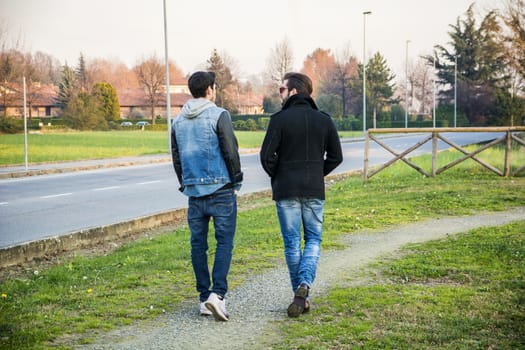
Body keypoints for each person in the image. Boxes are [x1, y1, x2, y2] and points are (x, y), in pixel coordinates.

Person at [260, 72, 343, 317]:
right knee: (314, 240)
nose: (280, 95)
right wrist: (317, 172)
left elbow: (266, 157)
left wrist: (279, 174)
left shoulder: (279, 120)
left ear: (294, 91)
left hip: (286, 190)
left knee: (292, 243)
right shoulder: (324, 120)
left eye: (282, 90)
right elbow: (336, 157)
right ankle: (303, 288)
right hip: (314, 189)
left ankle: (299, 293)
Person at [171, 71, 243, 322]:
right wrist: (237, 180)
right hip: (221, 189)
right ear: (211, 89)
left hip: (194, 193)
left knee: (198, 245)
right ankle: (218, 295)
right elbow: (230, 151)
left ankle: (204, 298)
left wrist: (185, 183)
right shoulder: (219, 114)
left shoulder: (177, 121)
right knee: (224, 242)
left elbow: (176, 158)